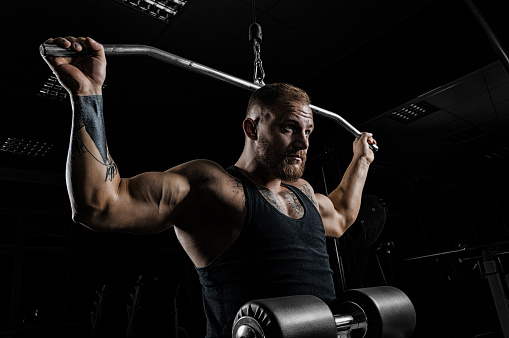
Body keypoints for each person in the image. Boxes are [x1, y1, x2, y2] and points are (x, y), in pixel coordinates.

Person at [42, 36, 376, 338]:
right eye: (290, 128)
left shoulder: (304, 192)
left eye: (308, 131)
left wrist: (361, 159)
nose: (303, 143)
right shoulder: (212, 186)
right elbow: (99, 206)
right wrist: (87, 94)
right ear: (252, 128)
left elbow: (343, 214)